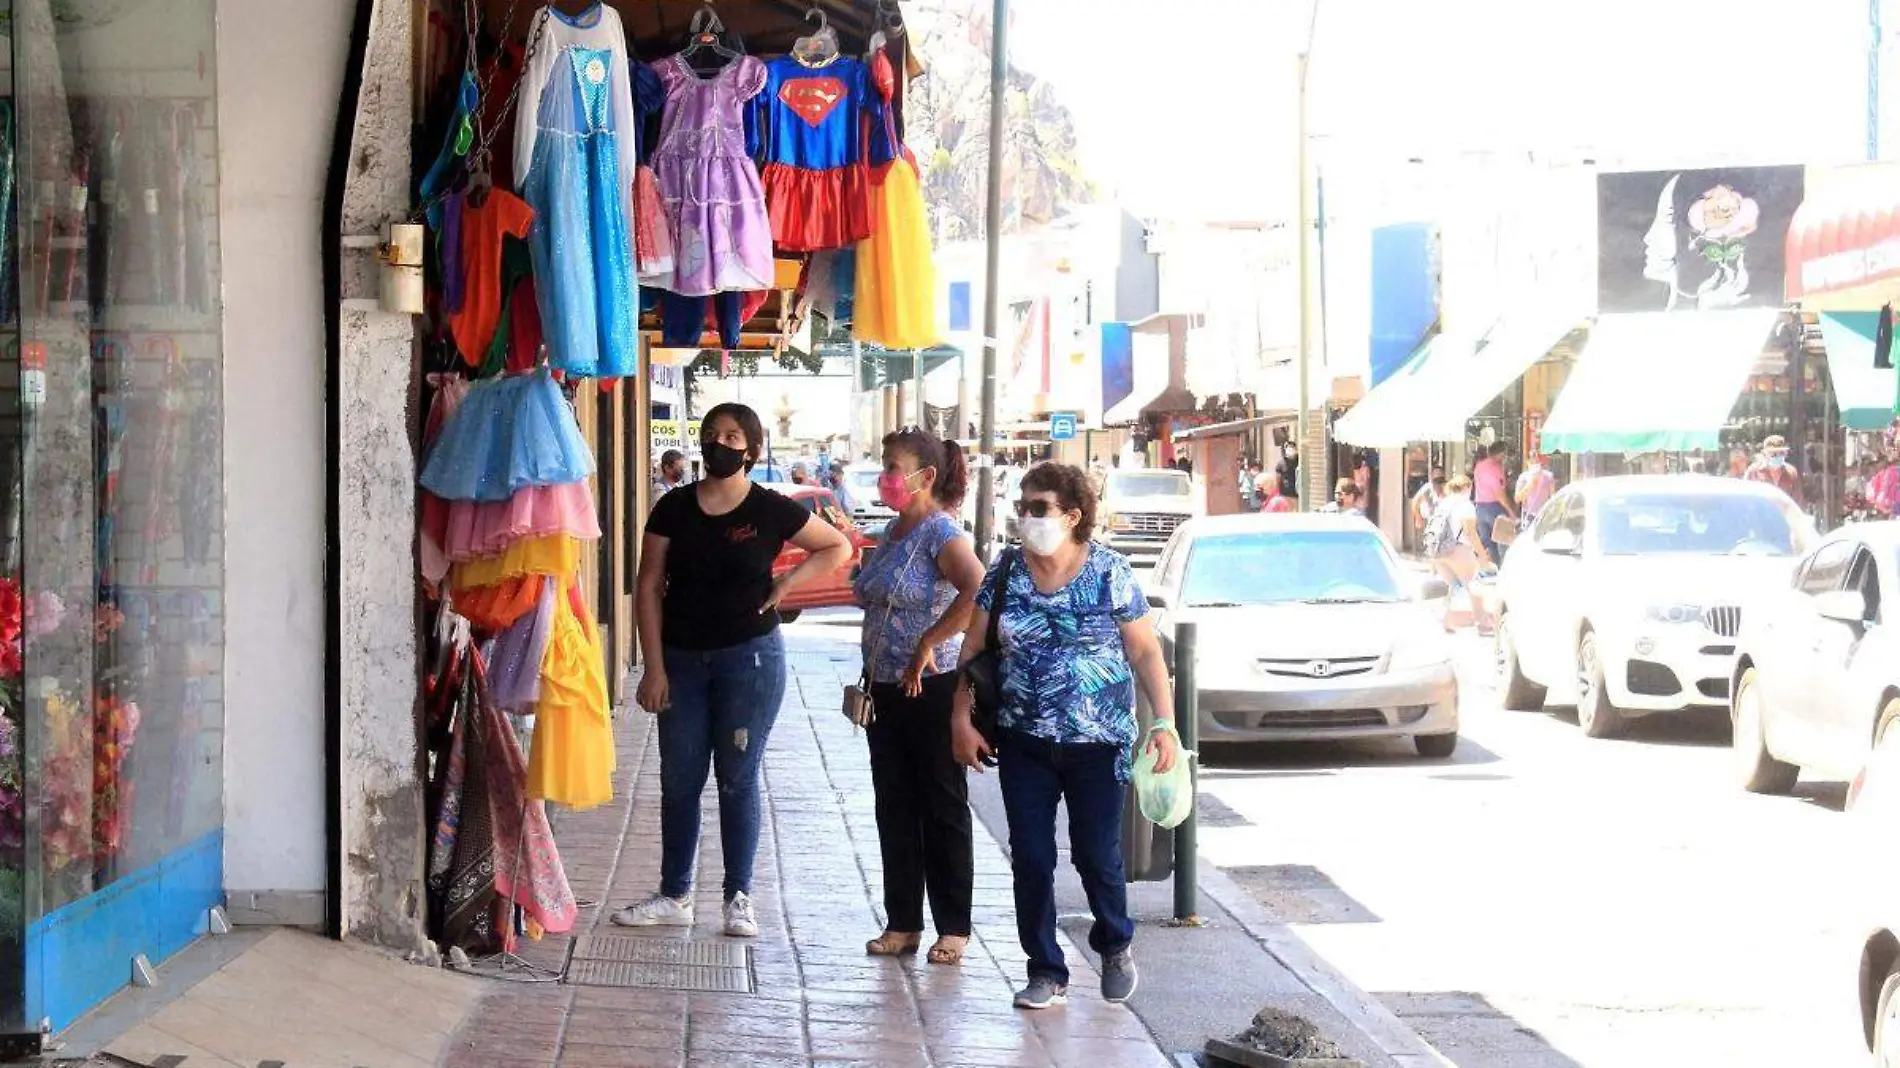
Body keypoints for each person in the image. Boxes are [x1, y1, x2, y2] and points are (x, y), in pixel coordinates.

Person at [616, 403, 854, 937]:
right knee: (678, 779)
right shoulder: (674, 508)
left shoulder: (770, 508)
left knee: (738, 778)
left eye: (732, 435)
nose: (720, 443)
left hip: (749, 659)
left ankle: (738, 897)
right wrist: (652, 667)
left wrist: (787, 586)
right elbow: (648, 584)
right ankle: (674, 894)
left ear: (752, 445)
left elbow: (837, 545)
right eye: (711, 434)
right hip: (680, 659)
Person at [950, 463, 1179, 1011]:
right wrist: (960, 716)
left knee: (1097, 854)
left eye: (1040, 508)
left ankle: (1115, 942)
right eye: (1023, 506)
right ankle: (1045, 968)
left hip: (1097, 742)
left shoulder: (1109, 571)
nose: (1026, 516)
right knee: (1030, 856)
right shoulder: (1005, 571)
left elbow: (1146, 651)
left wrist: (1166, 724)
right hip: (1023, 738)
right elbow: (974, 649)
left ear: (1073, 516)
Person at [854, 428, 986, 965]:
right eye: (884, 462)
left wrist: (931, 641)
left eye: (893, 465)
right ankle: (903, 921)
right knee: (894, 803)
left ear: (925, 476)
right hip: (884, 687)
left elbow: (977, 588)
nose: (886, 474)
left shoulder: (940, 532)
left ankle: (953, 924)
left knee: (941, 801)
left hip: (930, 687)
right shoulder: (892, 531)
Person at [1427, 474, 1496, 633]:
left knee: (1449, 588)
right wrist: (1481, 554)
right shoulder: (1465, 505)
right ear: (1466, 487)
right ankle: (1483, 623)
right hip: (1458, 549)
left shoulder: (1444, 503)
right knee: (1474, 584)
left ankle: (1444, 621)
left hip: (1438, 550)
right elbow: (1470, 532)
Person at [1472, 442, 1517, 565]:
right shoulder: (1495, 468)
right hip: (1494, 507)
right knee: (1502, 540)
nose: (1505, 458)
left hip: (1480, 507)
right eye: (1505, 454)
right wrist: (1510, 511)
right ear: (1501, 453)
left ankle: (1489, 569)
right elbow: (1499, 493)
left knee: (1487, 543)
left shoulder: (1479, 466)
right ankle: (1503, 569)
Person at [1745, 434, 1803, 506]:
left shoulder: (1791, 472)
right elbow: (1746, 497)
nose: (1778, 456)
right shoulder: (1753, 472)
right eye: (1774, 454)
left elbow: (1797, 499)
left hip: (1784, 515)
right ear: (1765, 453)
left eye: (1781, 453)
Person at [1514, 453, 1557, 526]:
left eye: (1536, 458)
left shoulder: (1548, 476)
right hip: (1529, 516)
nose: (1534, 461)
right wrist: (1531, 484)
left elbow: (1553, 497)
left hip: (1544, 514)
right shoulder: (1523, 477)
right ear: (1527, 461)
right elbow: (1517, 499)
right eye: (1532, 458)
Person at [1410, 466, 1446, 551]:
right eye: (1436, 478)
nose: (1438, 481)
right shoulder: (1427, 487)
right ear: (1432, 476)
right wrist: (1417, 517)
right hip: (1430, 517)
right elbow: (1415, 501)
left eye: (1440, 478)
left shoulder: (1446, 486)